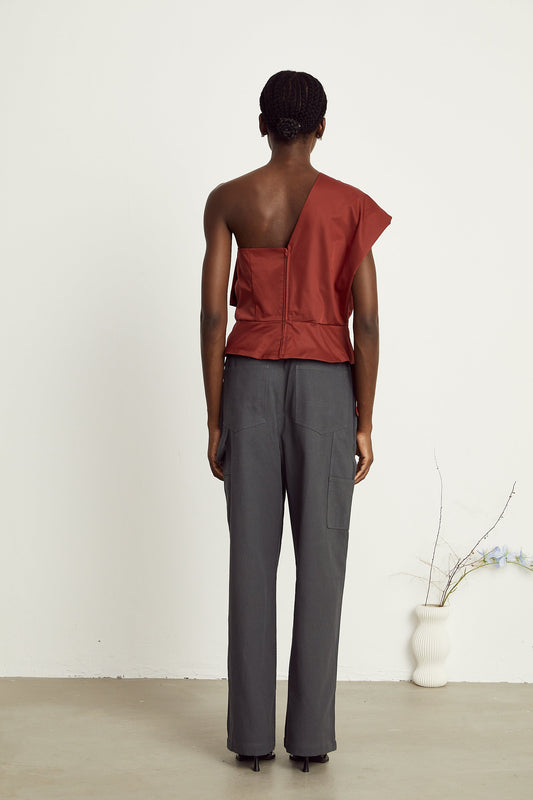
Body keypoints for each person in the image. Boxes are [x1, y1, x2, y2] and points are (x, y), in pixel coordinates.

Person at [200, 70, 392, 773]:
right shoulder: (350, 207)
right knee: (322, 561)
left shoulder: (229, 199)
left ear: (261, 124)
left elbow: (211, 314)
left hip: (248, 382)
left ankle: (251, 740)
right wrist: (363, 418)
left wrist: (215, 415)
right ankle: (309, 740)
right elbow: (366, 321)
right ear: (321, 127)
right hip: (324, 390)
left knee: (250, 561)